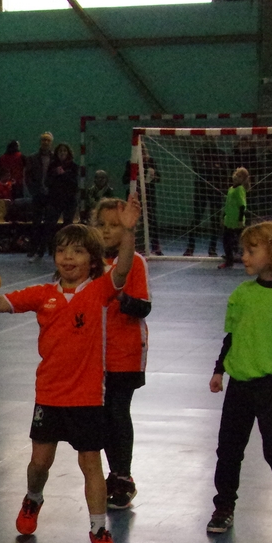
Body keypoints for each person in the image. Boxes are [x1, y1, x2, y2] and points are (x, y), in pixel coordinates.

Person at [0, 198, 149, 543]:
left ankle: (98, 529)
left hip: (88, 396)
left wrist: (128, 231)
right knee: (39, 463)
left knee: (91, 464)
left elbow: (124, 268)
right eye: (62, 251)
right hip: (49, 395)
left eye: (78, 252)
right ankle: (33, 498)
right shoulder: (43, 295)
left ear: (93, 260)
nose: (68, 258)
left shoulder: (99, 291)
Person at [206, 220, 272, 540]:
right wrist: (219, 370)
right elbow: (231, 337)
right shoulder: (241, 294)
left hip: (271, 387)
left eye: (252, 251)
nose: (244, 257)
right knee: (228, 449)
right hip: (239, 384)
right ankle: (224, 506)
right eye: (243, 251)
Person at [93, 197, 152, 509]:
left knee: (117, 411)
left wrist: (118, 297)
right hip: (95, 355)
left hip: (125, 353)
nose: (106, 231)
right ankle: (113, 474)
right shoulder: (91, 263)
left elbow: (143, 306)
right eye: (101, 224)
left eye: (114, 225)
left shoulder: (134, 263)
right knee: (102, 416)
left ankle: (124, 476)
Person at [41, 144, 80, 259]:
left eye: (64, 151)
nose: (62, 153)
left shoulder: (73, 166)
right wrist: (55, 174)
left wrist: (64, 174)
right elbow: (47, 182)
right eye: (60, 151)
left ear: (68, 153)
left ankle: (68, 247)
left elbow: (75, 184)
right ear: (57, 153)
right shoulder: (52, 166)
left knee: (68, 225)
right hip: (55, 200)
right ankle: (50, 248)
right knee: (50, 224)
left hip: (69, 200)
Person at [219, 167, 250, 269]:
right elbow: (227, 205)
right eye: (236, 174)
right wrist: (223, 217)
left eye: (239, 176)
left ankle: (250, 257)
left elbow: (242, 206)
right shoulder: (231, 189)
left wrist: (240, 220)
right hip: (229, 220)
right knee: (226, 241)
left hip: (237, 221)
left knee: (242, 241)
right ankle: (229, 261)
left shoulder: (240, 189)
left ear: (243, 179)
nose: (236, 177)